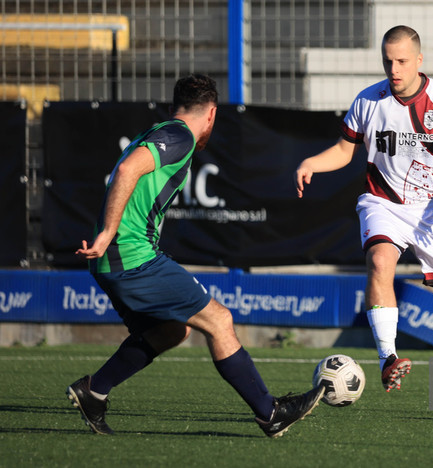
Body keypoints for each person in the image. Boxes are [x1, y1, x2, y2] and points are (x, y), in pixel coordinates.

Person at [67, 73, 324, 437]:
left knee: (173, 330)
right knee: (219, 320)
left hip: (116, 259)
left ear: (175, 107)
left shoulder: (161, 130)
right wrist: (109, 232)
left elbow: (127, 171)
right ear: (212, 114)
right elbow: (126, 169)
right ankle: (270, 413)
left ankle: (93, 392)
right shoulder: (180, 135)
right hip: (129, 255)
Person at [295, 26, 433, 422]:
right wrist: (313, 162)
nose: (394, 69)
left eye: (401, 61)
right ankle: (388, 357)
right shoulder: (368, 100)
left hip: (432, 215)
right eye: (387, 61)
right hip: (381, 203)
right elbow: (344, 152)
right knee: (380, 261)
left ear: (418, 59)